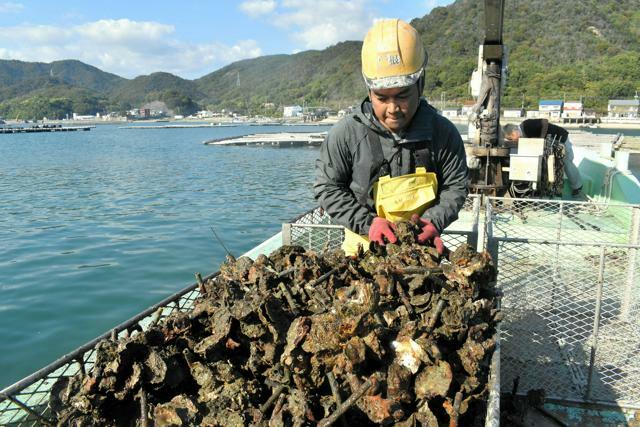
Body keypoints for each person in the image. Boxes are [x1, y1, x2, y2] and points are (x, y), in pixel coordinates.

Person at [314, 19, 468, 256]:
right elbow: (327, 188)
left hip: (420, 249)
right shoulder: (345, 134)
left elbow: (455, 186)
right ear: (369, 91)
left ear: (420, 84)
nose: (393, 108)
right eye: (382, 98)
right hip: (362, 248)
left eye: (402, 95)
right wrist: (368, 223)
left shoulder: (443, 133)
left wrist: (433, 222)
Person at [503, 119, 583, 196]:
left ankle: (578, 187)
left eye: (511, 138)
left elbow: (544, 122)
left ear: (514, 133)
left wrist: (541, 139)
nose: (513, 140)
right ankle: (550, 190)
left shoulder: (526, 125)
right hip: (551, 145)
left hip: (561, 138)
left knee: (567, 162)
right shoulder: (523, 136)